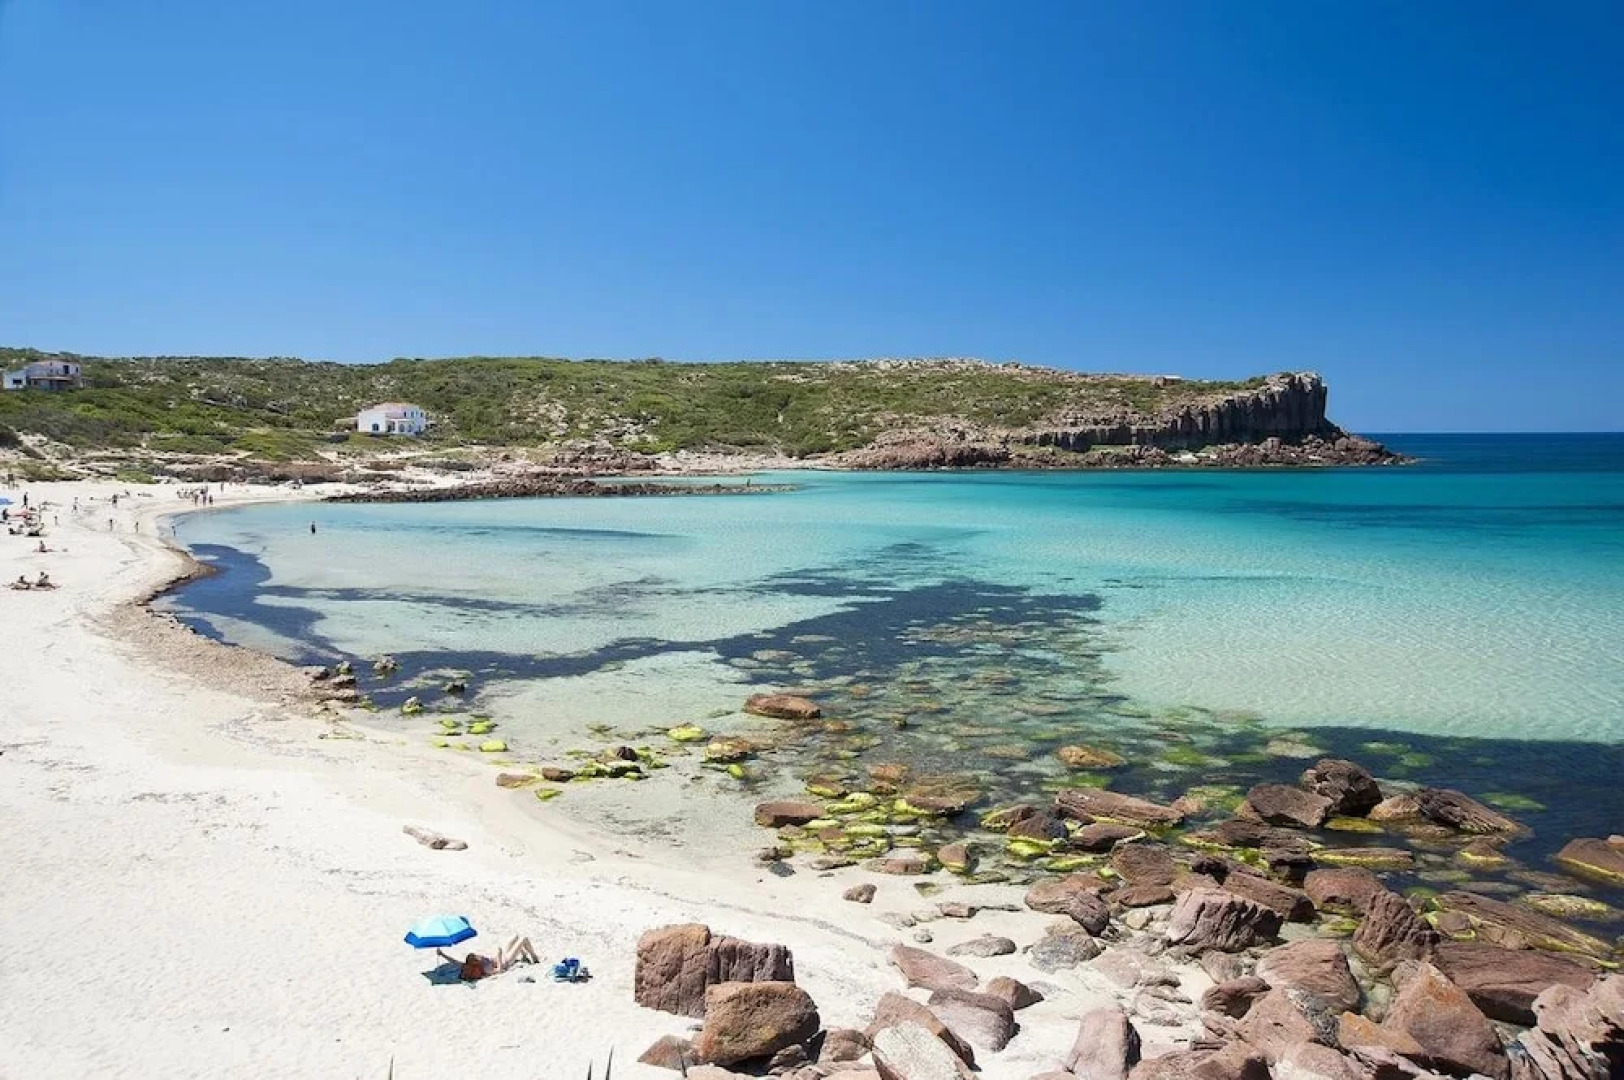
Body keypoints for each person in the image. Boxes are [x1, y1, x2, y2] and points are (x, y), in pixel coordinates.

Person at [436, 936, 539, 982]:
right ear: (475, 962)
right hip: (506, 961)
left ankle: (523, 955)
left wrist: (442, 954)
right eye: (476, 957)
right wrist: (499, 955)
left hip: (501, 956)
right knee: (523, 939)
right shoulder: (485, 968)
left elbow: (454, 961)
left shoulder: (467, 965)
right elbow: (499, 971)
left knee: (515, 936)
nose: (478, 956)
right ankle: (534, 957)